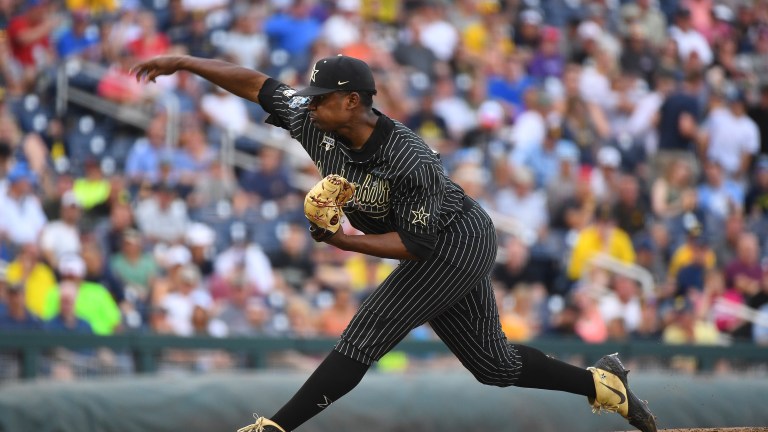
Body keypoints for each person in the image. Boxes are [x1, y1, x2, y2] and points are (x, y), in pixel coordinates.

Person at [132, 54, 657, 432]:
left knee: (367, 330)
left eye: (320, 100)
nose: (308, 106)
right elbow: (257, 85)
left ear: (351, 101)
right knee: (494, 366)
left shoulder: (409, 158)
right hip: (430, 243)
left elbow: (416, 245)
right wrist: (185, 63)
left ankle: (274, 428)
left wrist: (342, 240)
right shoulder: (316, 122)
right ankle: (602, 385)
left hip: (455, 240)